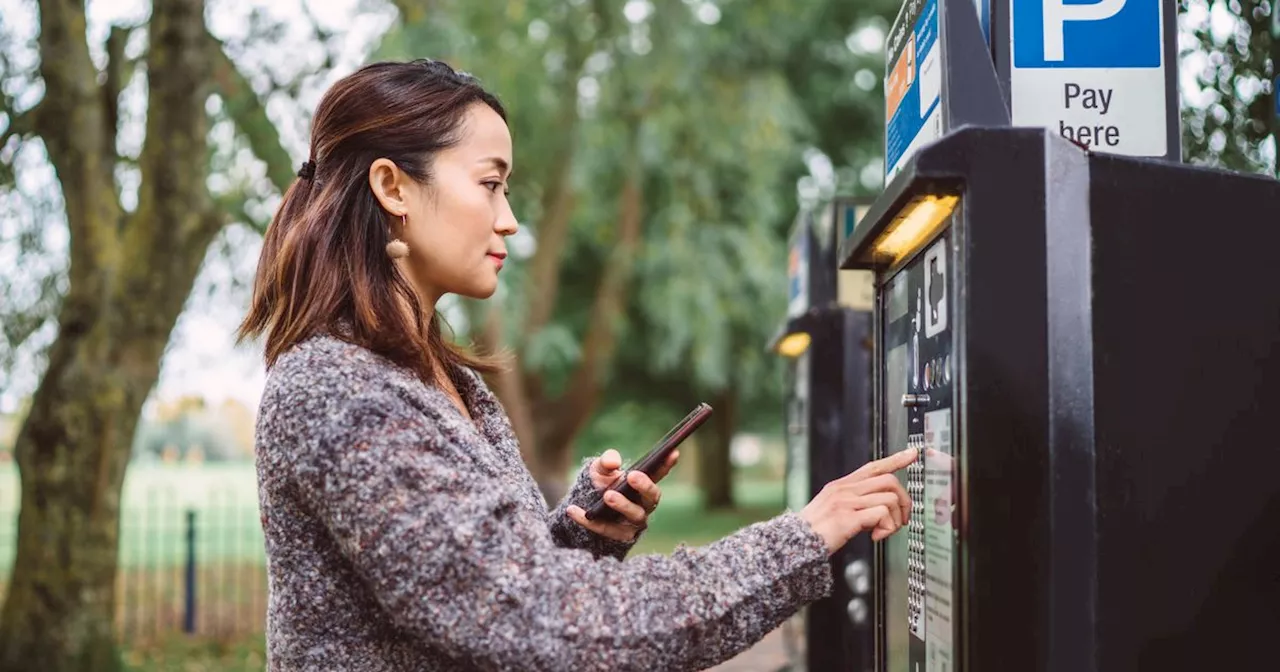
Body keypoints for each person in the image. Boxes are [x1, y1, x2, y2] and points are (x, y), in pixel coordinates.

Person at [239, 58, 917, 672]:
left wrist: (578, 536)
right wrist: (803, 537)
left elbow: (480, 597)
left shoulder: (447, 384)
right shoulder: (337, 390)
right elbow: (535, 621)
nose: (508, 221)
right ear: (392, 186)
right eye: (491, 184)